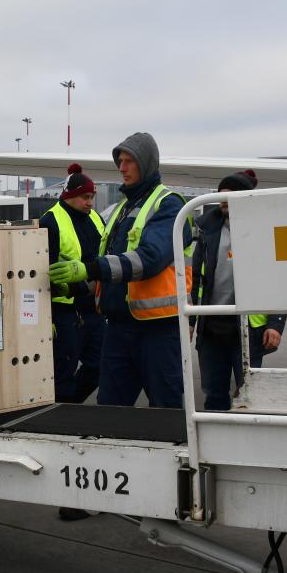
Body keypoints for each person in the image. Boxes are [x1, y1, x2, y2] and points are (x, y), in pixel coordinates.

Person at [49, 132, 193, 409]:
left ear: (147, 163)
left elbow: (148, 259)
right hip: (118, 326)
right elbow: (113, 270)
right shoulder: (123, 209)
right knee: (111, 410)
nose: (122, 168)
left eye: (129, 161)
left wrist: (88, 269)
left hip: (158, 330)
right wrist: (79, 286)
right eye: (120, 162)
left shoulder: (169, 205)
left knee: (165, 411)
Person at [40, 163, 107, 522]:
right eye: (85, 196)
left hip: (93, 309)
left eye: (93, 196)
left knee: (98, 367)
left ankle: (67, 406)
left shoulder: (96, 220)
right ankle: (61, 421)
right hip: (66, 311)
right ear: (70, 195)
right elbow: (41, 266)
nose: (90, 202)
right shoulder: (51, 220)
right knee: (64, 372)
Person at [190, 170, 286, 411]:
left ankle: (248, 442)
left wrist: (276, 322)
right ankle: (217, 441)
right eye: (222, 195)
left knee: (250, 393)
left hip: (248, 329)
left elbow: (279, 279)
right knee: (214, 393)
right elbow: (197, 279)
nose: (224, 200)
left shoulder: (265, 230)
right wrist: (192, 319)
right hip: (211, 328)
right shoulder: (207, 231)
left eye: (230, 196)